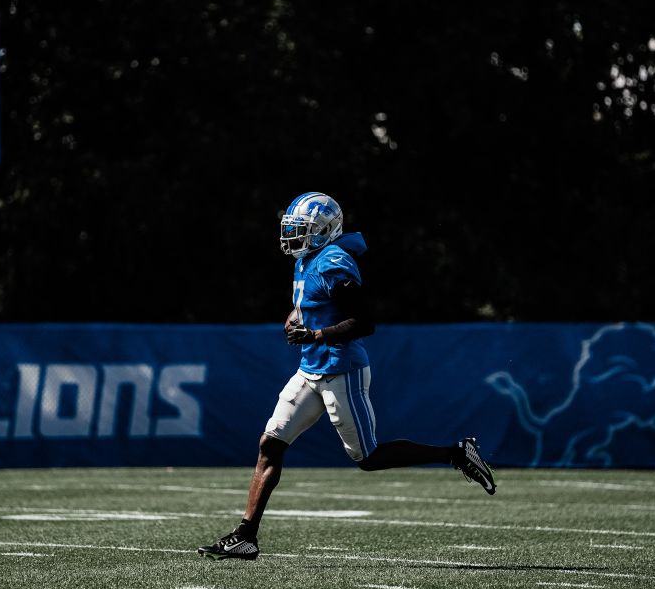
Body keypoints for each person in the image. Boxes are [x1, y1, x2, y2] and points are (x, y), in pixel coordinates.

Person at [198, 192, 498, 561]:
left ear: (326, 230)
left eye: (302, 230)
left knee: (368, 457)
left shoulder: (335, 261)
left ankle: (455, 453)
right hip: (309, 370)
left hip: (342, 370)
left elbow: (364, 322)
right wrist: (298, 317)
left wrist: (316, 335)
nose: (293, 237)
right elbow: (312, 302)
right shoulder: (307, 258)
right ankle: (246, 536)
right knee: (270, 444)